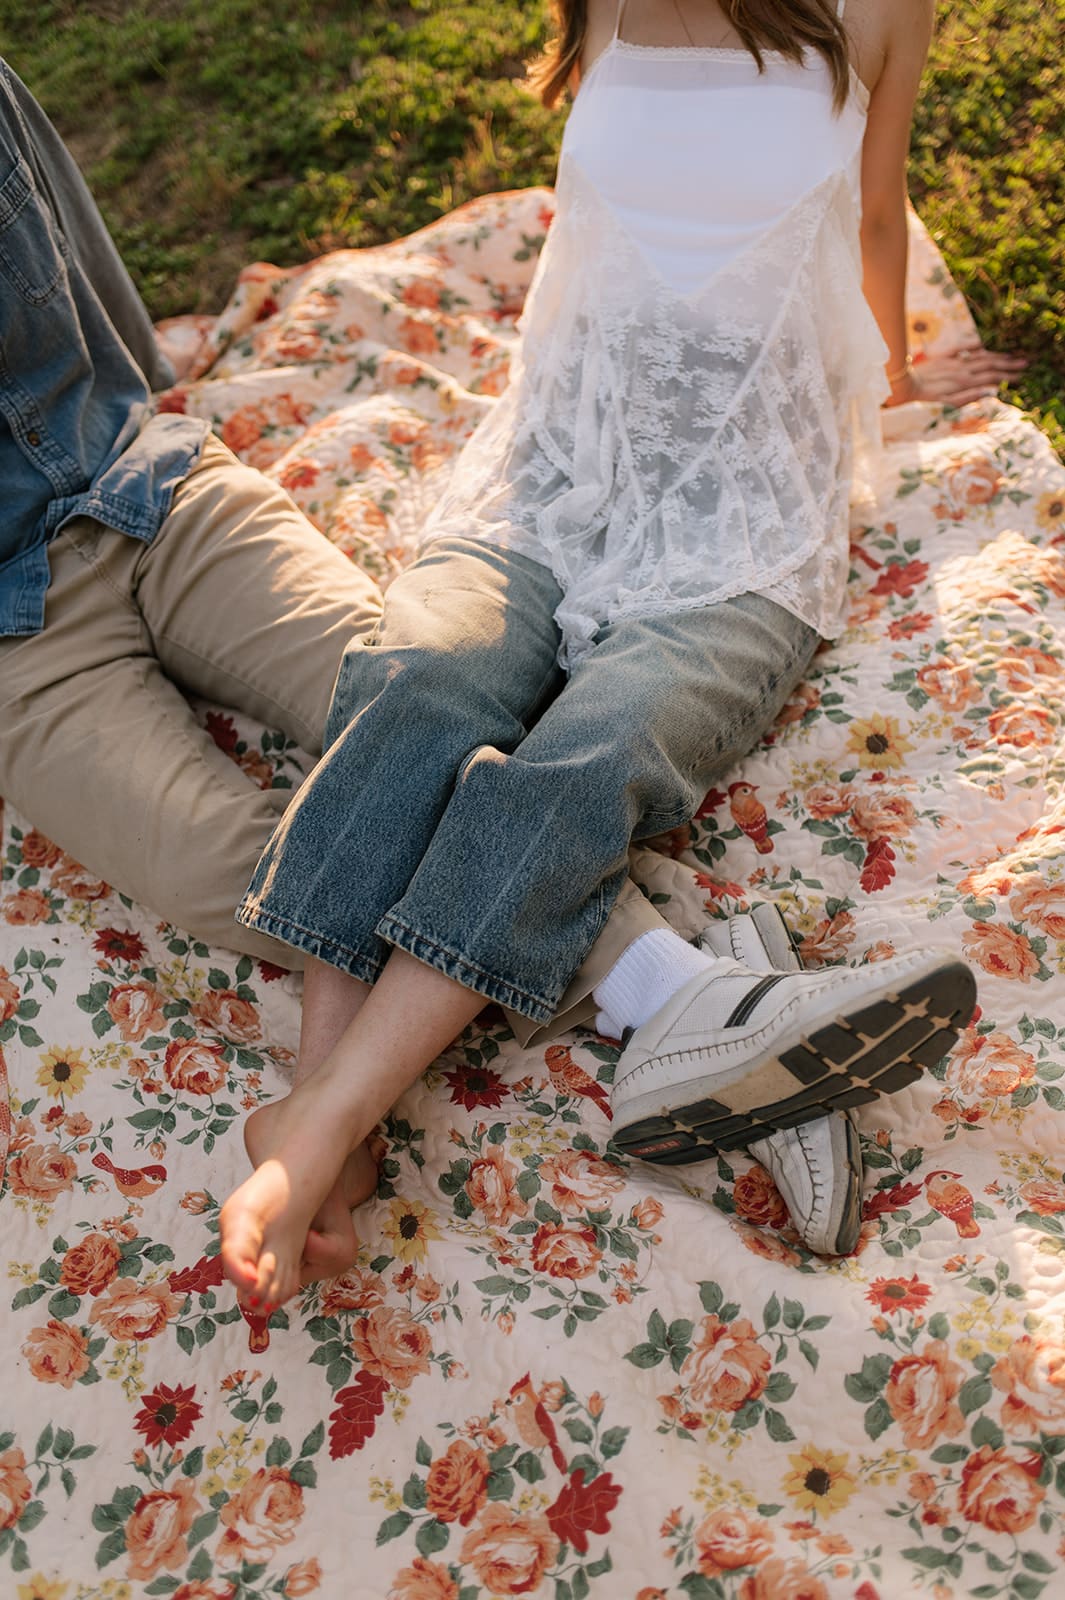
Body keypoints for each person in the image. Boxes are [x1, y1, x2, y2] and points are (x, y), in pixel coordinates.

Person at [0, 50, 945, 1276]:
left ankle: (323, 1105)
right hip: (21, 641)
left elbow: (80, 273)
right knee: (217, 864)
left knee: (408, 702)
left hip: (148, 486)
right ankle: (686, 999)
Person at [218, 0, 1025, 1313]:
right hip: (553, 464)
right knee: (414, 684)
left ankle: (317, 1125)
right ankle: (328, 1128)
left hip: (748, 509)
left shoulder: (875, 7)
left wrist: (887, 370)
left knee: (590, 756)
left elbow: (875, 216)